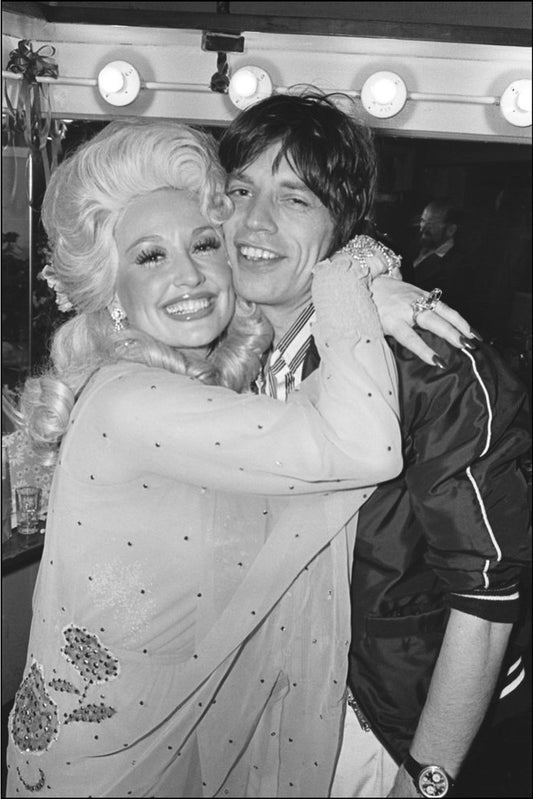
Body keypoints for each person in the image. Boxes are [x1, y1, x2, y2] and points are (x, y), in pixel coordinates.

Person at [5, 119, 406, 798]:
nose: (187, 275)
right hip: (104, 768)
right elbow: (364, 443)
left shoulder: (198, 390)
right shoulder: (133, 402)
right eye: (149, 256)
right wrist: (349, 275)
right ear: (111, 289)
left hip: (170, 738)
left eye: (203, 243)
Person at [218, 91, 531, 798]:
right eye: (239, 190)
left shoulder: (427, 363)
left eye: (293, 198)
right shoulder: (211, 356)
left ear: (341, 226)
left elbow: (485, 599)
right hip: (257, 706)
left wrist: (426, 777)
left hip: (385, 720)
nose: (253, 221)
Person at [408, 198, 475, 319]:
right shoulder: (413, 247)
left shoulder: (458, 268)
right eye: (423, 221)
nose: (423, 228)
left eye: (432, 224)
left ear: (451, 230)